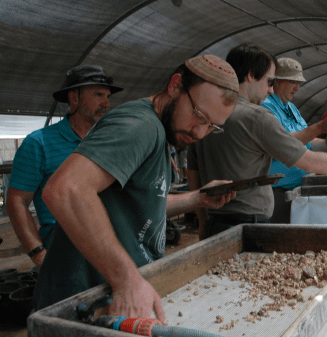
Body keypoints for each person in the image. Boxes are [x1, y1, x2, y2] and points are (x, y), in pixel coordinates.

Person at [34, 55, 240, 321]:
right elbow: (65, 190)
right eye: (198, 115)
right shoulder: (142, 126)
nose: (200, 133)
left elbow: (144, 203)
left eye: (212, 126)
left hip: (107, 302)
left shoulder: (162, 132)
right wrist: (127, 279)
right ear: (175, 85)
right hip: (80, 304)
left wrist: (198, 199)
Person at [188, 44, 327, 236]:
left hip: (214, 222)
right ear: (250, 75)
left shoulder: (208, 113)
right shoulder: (256, 116)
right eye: (269, 81)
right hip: (247, 224)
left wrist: (203, 221)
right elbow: (309, 160)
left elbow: (193, 173)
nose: (270, 90)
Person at [6, 65, 123, 269]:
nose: (106, 103)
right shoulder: (39, 143)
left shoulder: (109, 140)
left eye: (107, 96)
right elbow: (17, 200)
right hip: (66, 251)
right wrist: (37, 253)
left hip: (111, 244)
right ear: (74, 98)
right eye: (98, 95)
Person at [261, 57, 327, 223]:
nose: (297, 88)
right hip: (277, 191)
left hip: (298, 189)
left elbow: (308, 141)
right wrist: (319, 127)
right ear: (276, 81)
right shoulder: (265, 106)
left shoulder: (291, 108)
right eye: (293, 81)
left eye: (299, 82)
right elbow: (282, 144)